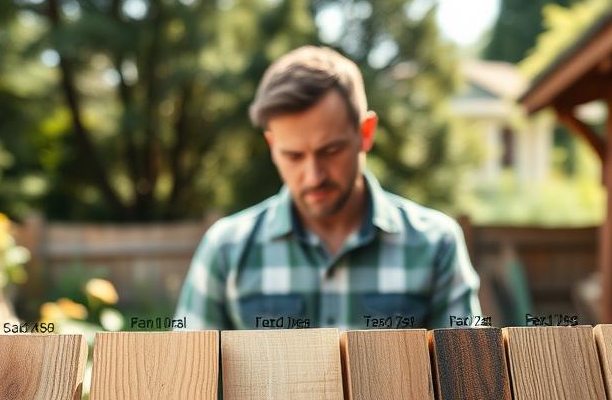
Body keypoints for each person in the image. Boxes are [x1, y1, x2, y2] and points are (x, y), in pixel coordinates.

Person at [175, 44, 480, 332]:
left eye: (330, 151)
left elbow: (469, 381)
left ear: (365, 133)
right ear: (272, 147)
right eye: (293, 156)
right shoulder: (225, 249)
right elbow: (185, 381)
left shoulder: (437, 244)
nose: (313, 176)